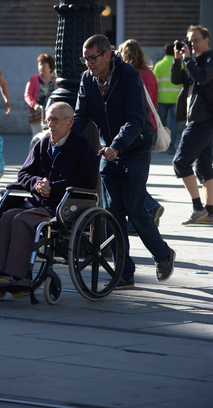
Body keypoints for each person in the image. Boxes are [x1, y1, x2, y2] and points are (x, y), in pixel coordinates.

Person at [73, 34, 176, 289]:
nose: (88, 64)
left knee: (134, 206)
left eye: (92, 58)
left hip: (135, 149)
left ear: (107, 55)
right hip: (110, 152)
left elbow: (136, 119)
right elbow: (80, 116)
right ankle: (124, 271)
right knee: (112, 214)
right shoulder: (88, 79)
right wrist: (61, 139)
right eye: (85, 59)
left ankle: (163, 255)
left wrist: (117, 147)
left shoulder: (128, 74)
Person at [0, 102, 98, 290]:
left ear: (70, 121)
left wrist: (53, 188)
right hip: (37, 201)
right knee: (6, 216)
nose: (50, 125)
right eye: (48, 120)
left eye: (55, 120)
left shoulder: (81, 145)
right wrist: (37, 184)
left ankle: (15, 275)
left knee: (22, 219)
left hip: (61, 205)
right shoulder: (43, 143)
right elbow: (23, 174)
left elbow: (87, 180)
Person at [119, 39, 164, 228]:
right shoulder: (150, 74)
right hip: (150, 129)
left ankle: (149, 206)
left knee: (125, 176)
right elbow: (154, 101)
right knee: (135, 175)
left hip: (133, 130)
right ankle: (144, 212)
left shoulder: (127, 75)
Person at [171, 25, 213, 225]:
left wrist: (188, 60)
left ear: (207, 40)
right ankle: (210, 212)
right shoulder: (193, 61)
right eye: (190, 41)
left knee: (180, 162)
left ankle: (198, 208)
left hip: (202, 120)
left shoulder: (210, 60)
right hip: (198, 118)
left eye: (196, 40)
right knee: (204, 166)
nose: (192, 44)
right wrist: (178, 59)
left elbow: (202, 77)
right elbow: (176, 79)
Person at [153, 43, 182, 154]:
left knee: (161, 123)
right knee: (173, 124)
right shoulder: (180, 64)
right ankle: (171, 146)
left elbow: (155, 84)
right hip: (176, 99)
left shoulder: (159, 65)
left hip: (162, 98)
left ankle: (161, 143)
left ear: (164, 52)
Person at [24, 53, 57, 138]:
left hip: (52, 114)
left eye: (44, 65)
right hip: (37, 113)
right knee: (37, 136)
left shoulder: (56, 80)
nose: (41, 67)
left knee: (50, 136)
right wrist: (34, 105)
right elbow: (27, 95)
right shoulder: (34, 79)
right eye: (40, 65)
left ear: (50, 68)